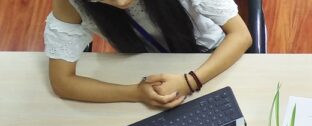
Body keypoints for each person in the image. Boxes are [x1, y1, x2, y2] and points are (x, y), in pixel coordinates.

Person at [45, 0, 252, 108]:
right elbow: (62, 82)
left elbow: (241, 35)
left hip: (211, 57)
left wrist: (189, 81)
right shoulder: (69, 3)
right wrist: (135, 93)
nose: (119, 1)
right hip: (148, 72)